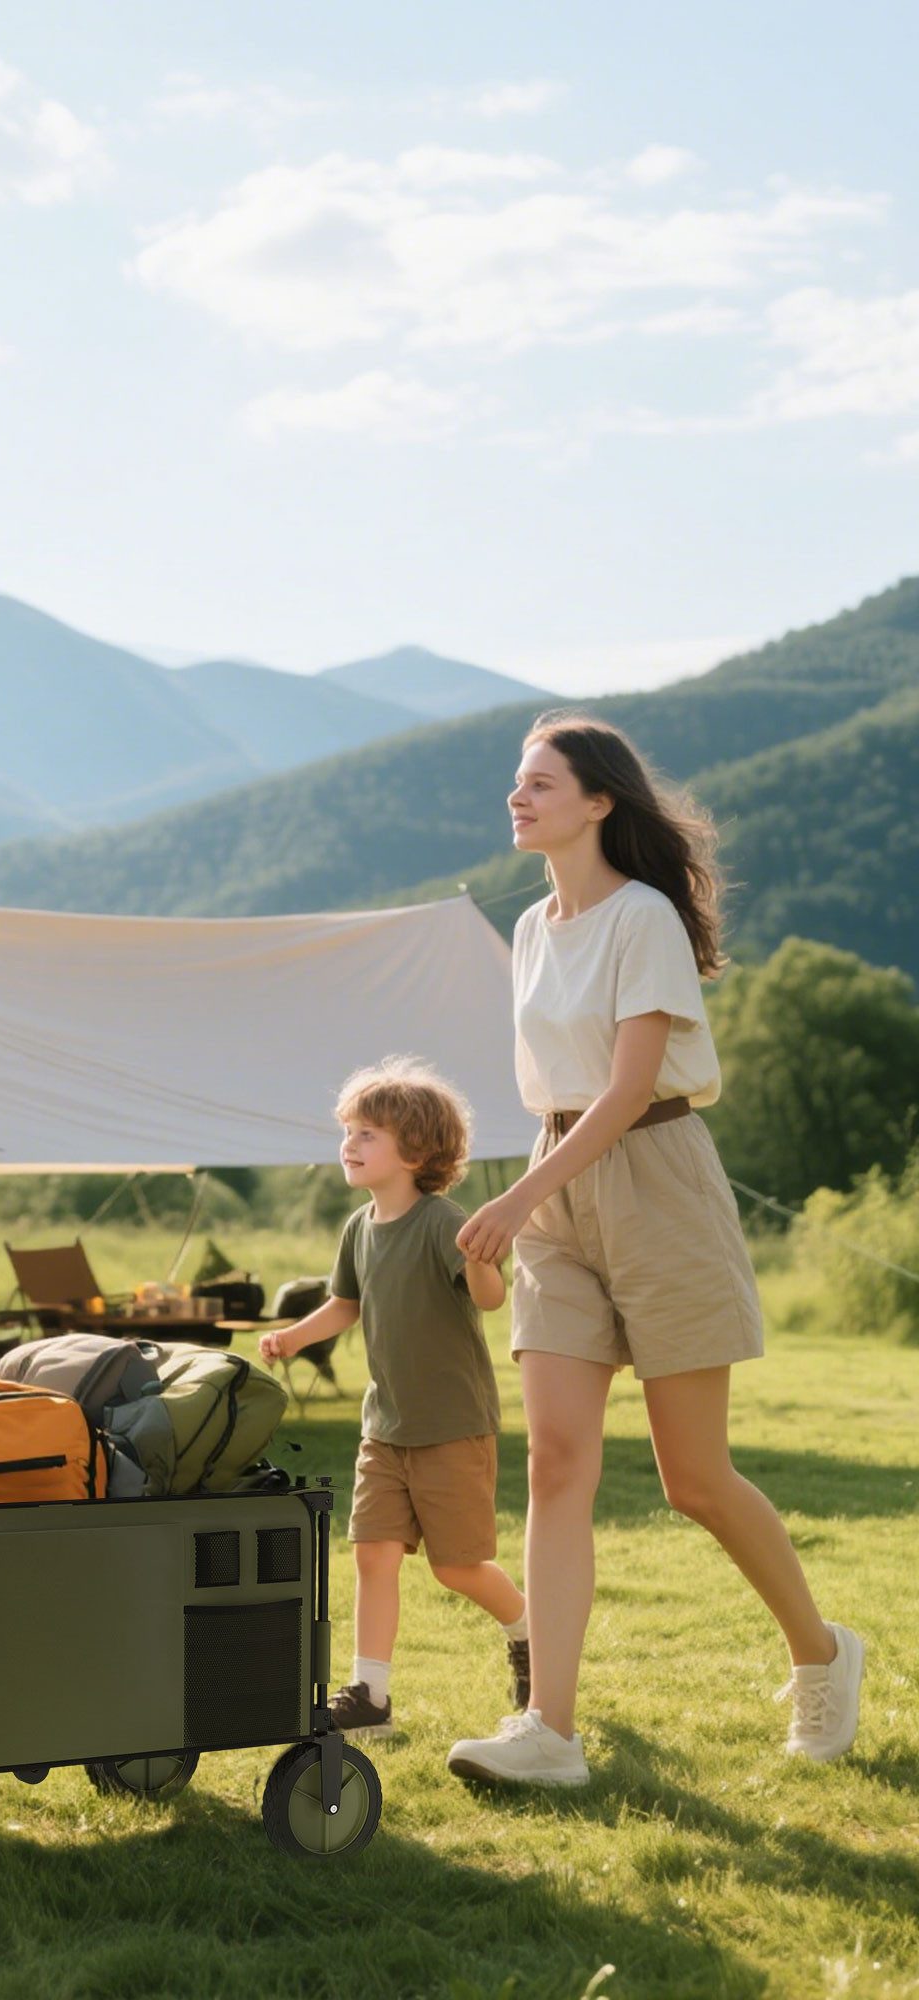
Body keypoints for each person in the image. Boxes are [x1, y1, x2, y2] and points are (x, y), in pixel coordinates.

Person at [445, 714, 864, 1788]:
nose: (516, 797)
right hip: (558, 1191)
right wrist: (533, 1193)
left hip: (654, 1178)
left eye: (538, 782)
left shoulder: (641, 919)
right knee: (554, 1461)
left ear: (596, 802)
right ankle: (549, 1727)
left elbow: (628, 1086)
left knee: (693, 1477)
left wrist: (516, 1195)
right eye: (514, 782)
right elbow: (558, 1085)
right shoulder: (533, 927)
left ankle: (820, 1652)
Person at [261, 1058, 524, 1740]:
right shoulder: (357, 1227)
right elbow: (344, 1305)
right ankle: (370, 1698)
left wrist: (479, 1258)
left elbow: (490, 1299)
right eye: (347, 1130)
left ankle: (529, 1631)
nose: (349, 1143)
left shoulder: (444, 1222)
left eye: (367, 1133)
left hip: (451, 1426)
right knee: (372, 1554)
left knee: (457, 1566)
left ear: (417, 1150)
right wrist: (293, 1338)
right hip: (385, 1428)